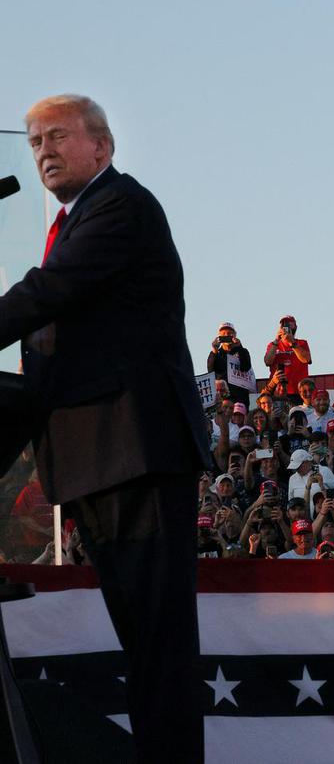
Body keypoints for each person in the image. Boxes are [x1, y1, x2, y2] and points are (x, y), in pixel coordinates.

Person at [0, 95, 207, 762]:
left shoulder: (118, 208)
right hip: (95, 459)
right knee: (143, 640)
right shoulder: (75, 220)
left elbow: (48, 291)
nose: (43, 151)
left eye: (57, 135)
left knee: (159, 643)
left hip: (134, 453)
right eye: (33, 142)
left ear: (104, 146)